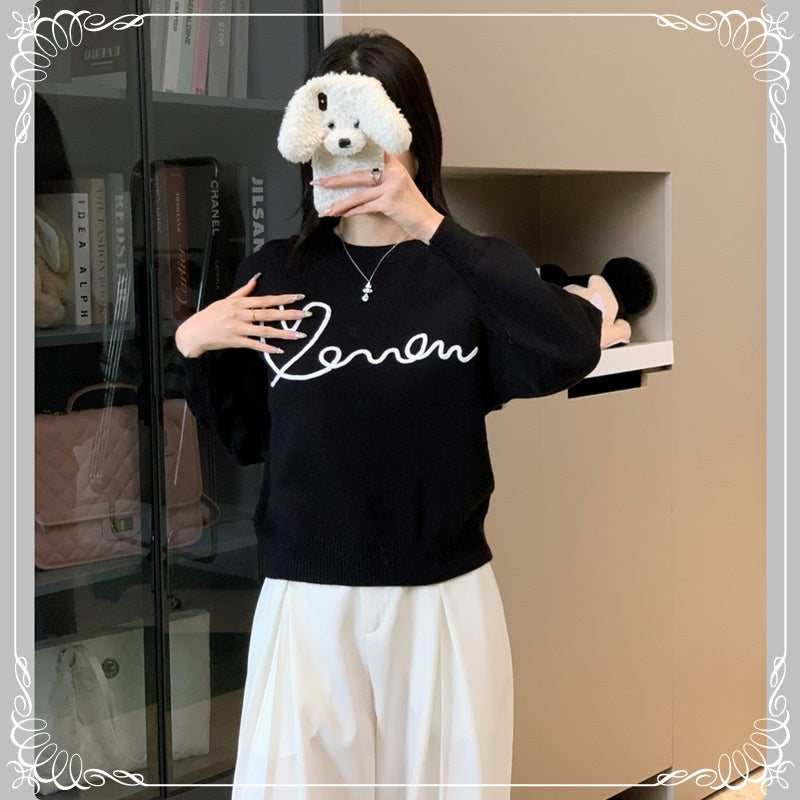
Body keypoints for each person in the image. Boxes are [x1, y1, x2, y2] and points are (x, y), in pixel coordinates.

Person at [175, 30, 602, 800]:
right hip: (308, 598)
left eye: (373, 123)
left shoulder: (466, 270)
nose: (352, 145)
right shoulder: (274, 274)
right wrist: (191, 346)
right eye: (333, 119)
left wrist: (428, 222)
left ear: (413, 134)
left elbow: (569, 348)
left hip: (442, 595)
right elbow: (249, 438)